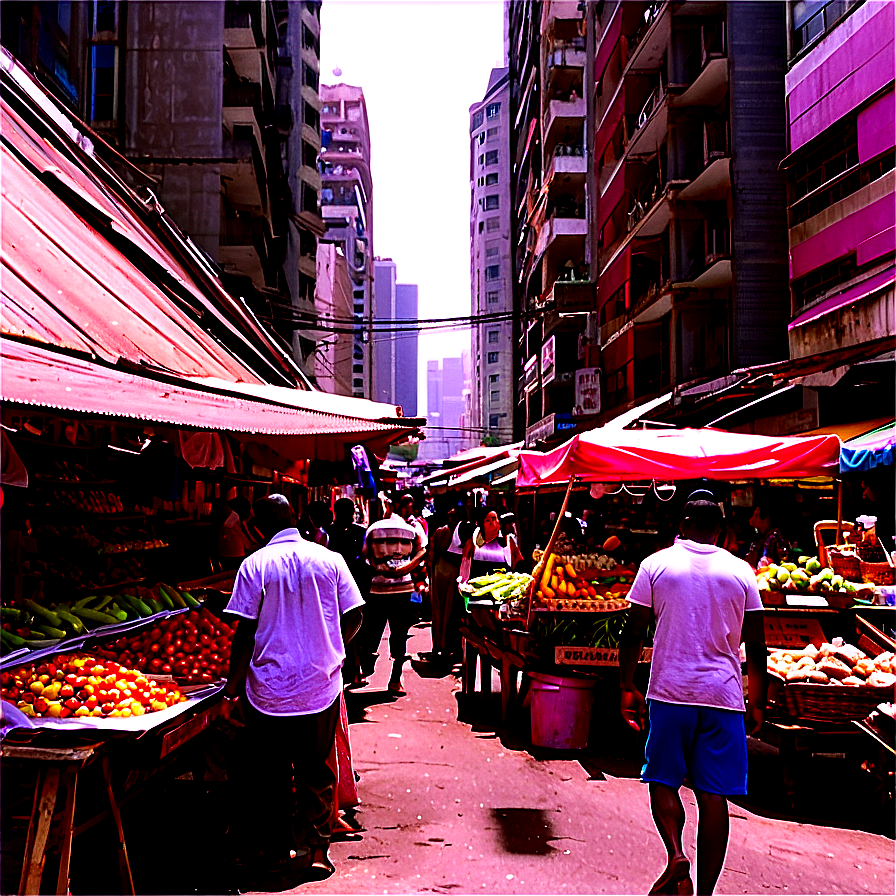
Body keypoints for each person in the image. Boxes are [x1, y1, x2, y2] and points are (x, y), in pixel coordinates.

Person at [618, 492, 766, 896]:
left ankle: (676, 855)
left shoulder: (656, 564)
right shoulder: (742, 572)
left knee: (663, 779)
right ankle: (705, 894)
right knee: (714, 795)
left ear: (681, 525)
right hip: (723, 697)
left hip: (670, 692)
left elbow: (633, 632)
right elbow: (757, 643)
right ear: (721, 530)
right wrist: (758, 701)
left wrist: (625, 684)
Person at [222, 494, 364, 881]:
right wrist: (334, 649)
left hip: (269, 690)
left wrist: (232, 689)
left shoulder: (254, 565)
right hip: (320, 686)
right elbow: (356, 614)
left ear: (257, 527)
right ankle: (318, 851)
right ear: (296, 519)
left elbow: (244, 633)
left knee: (272, 774)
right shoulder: (329, 559)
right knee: (316, 769)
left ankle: (277, 849)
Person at [361, 497, 427, 695]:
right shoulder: (412, 530)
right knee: (399, 634)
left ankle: (367, 666)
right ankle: (395, 679)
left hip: (378, 587)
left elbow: (364, 555)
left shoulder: (374, 529)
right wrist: (405, 568)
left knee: (372, 630)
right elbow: (422, 552)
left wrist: (378, 567)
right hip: (402, 588)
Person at [461, 509, 523, 581]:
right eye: (487, 520)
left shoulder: (508, 541)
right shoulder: (472, 542)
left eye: (494, 519)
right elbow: (465, 565)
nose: (491, 523)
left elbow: (518, 561)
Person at [217, 495, 257, 570]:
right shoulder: (234, 518)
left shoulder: (225, 511)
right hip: (235, 554)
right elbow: (246, 541)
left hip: (226, 553)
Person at [745, 500, 788, 567]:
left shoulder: (773, 537)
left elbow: (764, 564)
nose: (753, 518)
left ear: (766, 519)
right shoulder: (762, 536)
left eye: (756, 514)